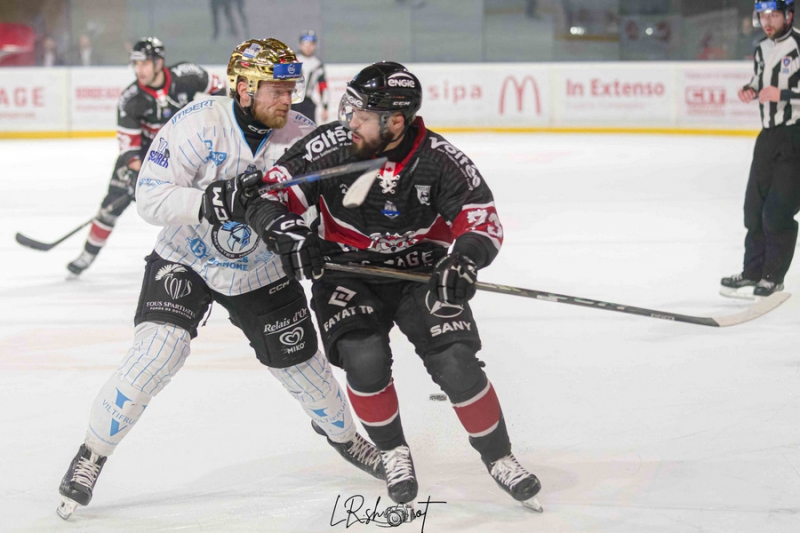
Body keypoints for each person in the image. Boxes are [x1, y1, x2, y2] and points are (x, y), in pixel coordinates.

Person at [56, 38, 385, 521]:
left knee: (310, 377)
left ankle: (342, 436)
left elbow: (324, 208)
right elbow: (149, 198)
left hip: (260, 271)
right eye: (276, 88)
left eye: (291, 88)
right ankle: (91, 454)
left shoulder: (303, 134)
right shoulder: (196, 123)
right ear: (245, 87)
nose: (287, 98)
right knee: (156, 355)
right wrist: (205, 202)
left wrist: (311, 240)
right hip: (186, 257)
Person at [240, 61, 542, 510]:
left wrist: (464, 260)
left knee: (457, 363)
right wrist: (291, 235)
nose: (350, 123)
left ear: (395, 121)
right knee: (365, 360)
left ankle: (500, 458)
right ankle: (393, 452)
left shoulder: (440, 160)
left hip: (420, 273)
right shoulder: (331, 147)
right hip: (346, 273)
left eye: (361, 116)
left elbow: (482, 220)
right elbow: (265, 195)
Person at [66, 37, 227, 277]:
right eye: (135, 64)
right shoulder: (131, 99)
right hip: (147, 159)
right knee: (110, 208)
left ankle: (205, 253)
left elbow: (223, 92)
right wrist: (138, 175)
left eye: (144, 64)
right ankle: (88, 254)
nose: (139, 70)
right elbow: (129, 149)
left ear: (158, 62)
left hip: (186, 154)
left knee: (198, 204)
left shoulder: (187, 74)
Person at [721, 0, 800, 298]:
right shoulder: (761, 48)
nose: (768, 21)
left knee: (777, 213)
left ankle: (772, 277)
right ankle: (752, 272)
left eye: (774, 15)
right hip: (767, 137)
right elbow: (759, 79)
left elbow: (783, 90)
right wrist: (750, 89)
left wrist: (785, 93)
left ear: (788, 16)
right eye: (763, 16)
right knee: (753, 211)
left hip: (796, 137)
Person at [290, 31, 329, 124]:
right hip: (291, 100)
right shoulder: (293, 60)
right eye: (305, 44)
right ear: (300, 45)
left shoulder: (317, 64)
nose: (308, 47)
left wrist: (325, 107)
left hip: (307, 101)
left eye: (311, 44)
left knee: (309, 128)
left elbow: (323, 87)